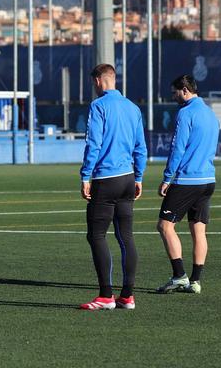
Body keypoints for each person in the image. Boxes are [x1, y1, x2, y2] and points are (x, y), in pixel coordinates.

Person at [79, 63, 147, 311]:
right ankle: (127, 296)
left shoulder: (98, 106)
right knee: (125, 236)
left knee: (96, 235)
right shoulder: (133, 107)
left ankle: (106, 295)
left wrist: (86, 175)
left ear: (98, 80)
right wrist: (139, 177)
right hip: (128, 178)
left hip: (105, 179)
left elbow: (93, 144)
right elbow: (141, 146)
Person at [155, 75, 219, 295]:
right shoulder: (211, 114)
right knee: (198, 230)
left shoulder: (186, 113)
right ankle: (195, 281)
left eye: (174, 92)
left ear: (184, 90)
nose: (173, 97)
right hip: (208, 180)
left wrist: (167, 177)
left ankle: (179, 276)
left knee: (165, 226)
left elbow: (177, 148)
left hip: (188, 180)